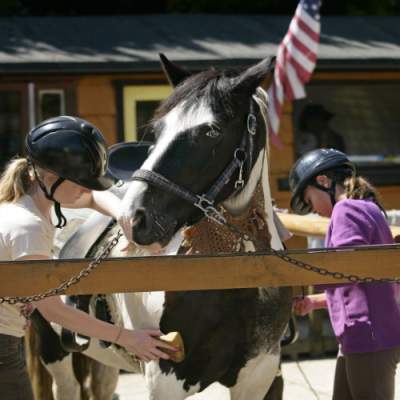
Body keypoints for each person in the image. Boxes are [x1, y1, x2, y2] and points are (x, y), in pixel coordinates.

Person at [0, 116, 175, 400]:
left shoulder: (30, 203)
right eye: (82, 181)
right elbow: (55, 312)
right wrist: (126, 338)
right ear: (49, 178)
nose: (86, 188)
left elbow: (94, 197)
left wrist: (121, 214)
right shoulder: (27, 225)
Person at [289, 148, 400, 400]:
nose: (312, 209)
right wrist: (314, 302)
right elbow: (359, 282)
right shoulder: (364, 208)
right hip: (366, 336)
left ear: (324, 181)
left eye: (309, 199)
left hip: (368, 338)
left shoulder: (346, 210)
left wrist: (292, 274)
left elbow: (345, 267)